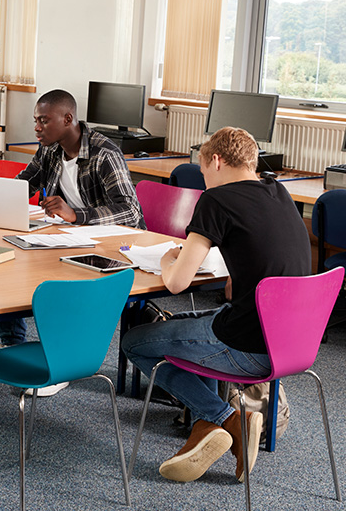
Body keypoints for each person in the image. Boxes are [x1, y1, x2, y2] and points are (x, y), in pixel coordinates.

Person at [121, 127, 311, 483]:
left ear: (217, 160)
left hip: (249, 345)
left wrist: (168, 259)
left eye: (204, 171)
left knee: (136, 342)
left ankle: (228, 419)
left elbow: (177, 283)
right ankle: (207, 427)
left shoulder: (217, 200)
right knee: (193, 328)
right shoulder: (278, 192)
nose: (204, 180)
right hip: (292, 342)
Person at [0, 89, 144, 369]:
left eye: (43, 121)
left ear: (68, 119)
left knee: (59, 285)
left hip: (114, 242)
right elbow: (24, 183)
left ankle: (64, 365)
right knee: (5, 257)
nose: (36, 128)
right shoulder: (50, 148)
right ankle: (12, 342)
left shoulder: (104, 152)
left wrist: (76, 215)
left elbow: (131, 212)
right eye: (36, 120)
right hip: (72, 236)